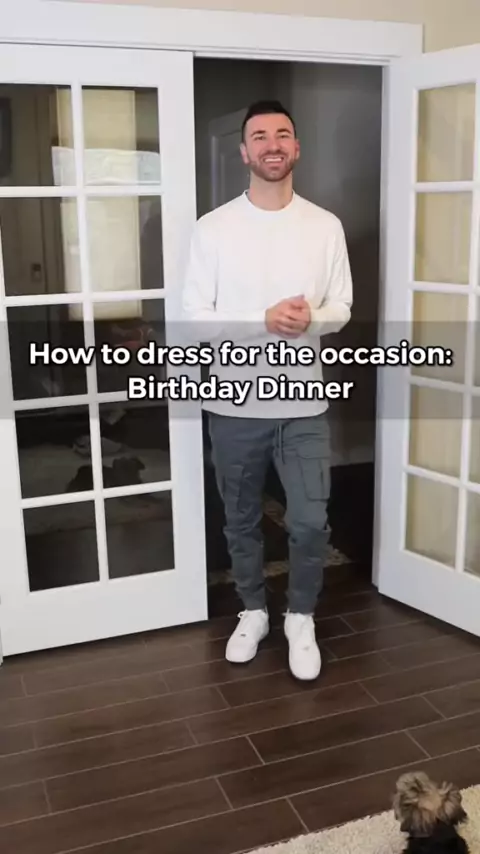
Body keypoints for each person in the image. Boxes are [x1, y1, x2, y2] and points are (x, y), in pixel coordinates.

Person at [181, 100, 353, 681]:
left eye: (282, 134)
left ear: (296, 148)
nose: (272, 144)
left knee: (309, 522)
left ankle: (300, 617)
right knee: (240, 520)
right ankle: (253, 610)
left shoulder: (325, 226)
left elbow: (342, 306)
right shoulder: (213, 229)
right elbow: (194, 318)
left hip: (304, 407)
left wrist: (312, 320)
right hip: (233, 406)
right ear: (244, 151)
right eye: (260, 136)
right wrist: (263, 319)